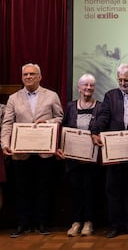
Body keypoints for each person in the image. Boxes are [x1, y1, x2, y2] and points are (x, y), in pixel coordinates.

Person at [1, 63, 63, 238]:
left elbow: (59, 117)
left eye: (32, 74)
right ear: (22, 77)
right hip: (21, 152)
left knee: (43, 188)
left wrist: (48, 123)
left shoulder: (51, 95)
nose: (28, 77)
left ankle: (42, 223)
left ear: (40, 77)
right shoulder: (14, 98)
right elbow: (7, 124)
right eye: (25, 74)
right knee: (22, 189)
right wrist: (5, 144)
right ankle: (23, 224)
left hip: (44, 151)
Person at [91, 64, 128, 238]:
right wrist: (95, 131)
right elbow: (104, 116)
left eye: (126, 79)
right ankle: (114, 225)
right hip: (113, 150)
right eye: (120, 79)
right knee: (113, 189)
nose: (122, 83)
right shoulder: (110, 96)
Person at [56, 74, 101, 237]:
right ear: (78, 87)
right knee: (75, 190)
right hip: (73, 159)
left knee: (90, 190)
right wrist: (60, 148)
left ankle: (89, 222)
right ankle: (76, 222)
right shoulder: (70, 106)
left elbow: (103, 130)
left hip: (92, 159)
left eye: (91, 85)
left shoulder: (101, 107)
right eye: (85, 85)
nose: (88, 88)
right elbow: (65, 128)